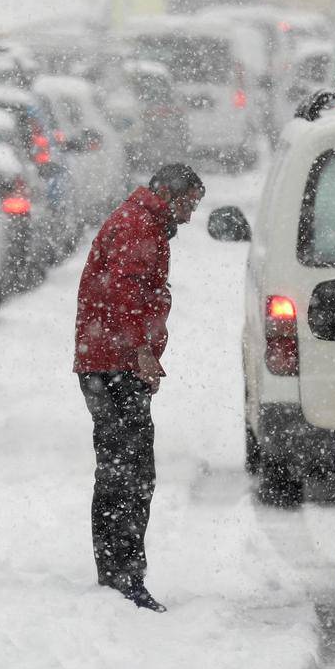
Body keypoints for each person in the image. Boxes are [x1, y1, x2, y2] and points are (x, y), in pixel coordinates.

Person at [73, 163, 205, 612]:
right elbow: (125, 295)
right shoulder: (138, 227)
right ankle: (123, 579)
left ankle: (117, 573)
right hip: (114, 366)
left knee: (119, 469)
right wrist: (141, 354)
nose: (189, 216)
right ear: (169, 194)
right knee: (130, 473)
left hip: (106, 361)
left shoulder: (139, 221)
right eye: (189, 204)